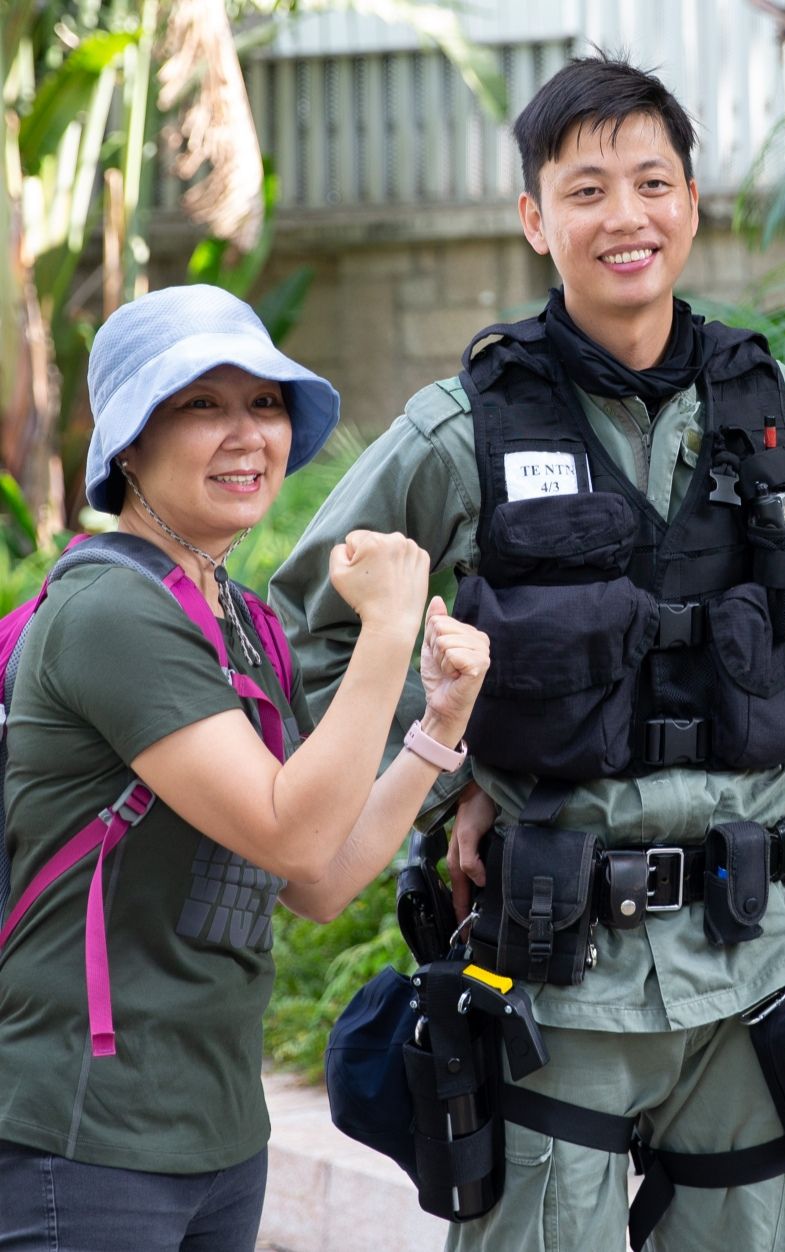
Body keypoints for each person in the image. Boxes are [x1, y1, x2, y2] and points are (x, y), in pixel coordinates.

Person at [270, 55, 785, 1252]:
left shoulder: (775, 412)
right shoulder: (461, 428)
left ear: (692, 204)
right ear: (535, 218)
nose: (626, 216)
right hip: (557, 976)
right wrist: (441, 786)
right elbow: (316, 637)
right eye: (586, 189)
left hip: (753, 967)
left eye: (652, 182)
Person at [0, 284, 490, 1252]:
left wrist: (438, 725)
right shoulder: (112, 612)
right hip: (84, 1136)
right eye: (200, 404)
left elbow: (312, 878)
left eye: (264, 405)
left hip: (215, 1132)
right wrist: (389, 626)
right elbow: (290, 828)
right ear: (128, 443)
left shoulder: (232, 616)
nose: (245, 434)